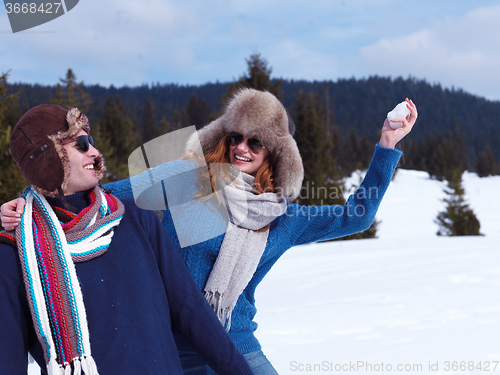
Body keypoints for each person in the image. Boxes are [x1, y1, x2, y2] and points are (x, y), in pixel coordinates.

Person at [2, 89, 418, 374]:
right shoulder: (190, 182)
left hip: (237, 346)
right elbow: (100, 192)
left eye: (256, 143)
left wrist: (387, 146)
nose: (242, 148)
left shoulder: (283, 220)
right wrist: (29, 206)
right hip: (173, 351)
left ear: (274, 153)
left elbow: (356, 217)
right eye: (236, 136)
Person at [0, 104, 255, 375]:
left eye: (92, 142)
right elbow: (7, 358)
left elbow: (191, 310)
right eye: (82, 144)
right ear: (48, 157)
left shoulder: (134, 218)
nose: (95, 152)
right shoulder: (16, 250)